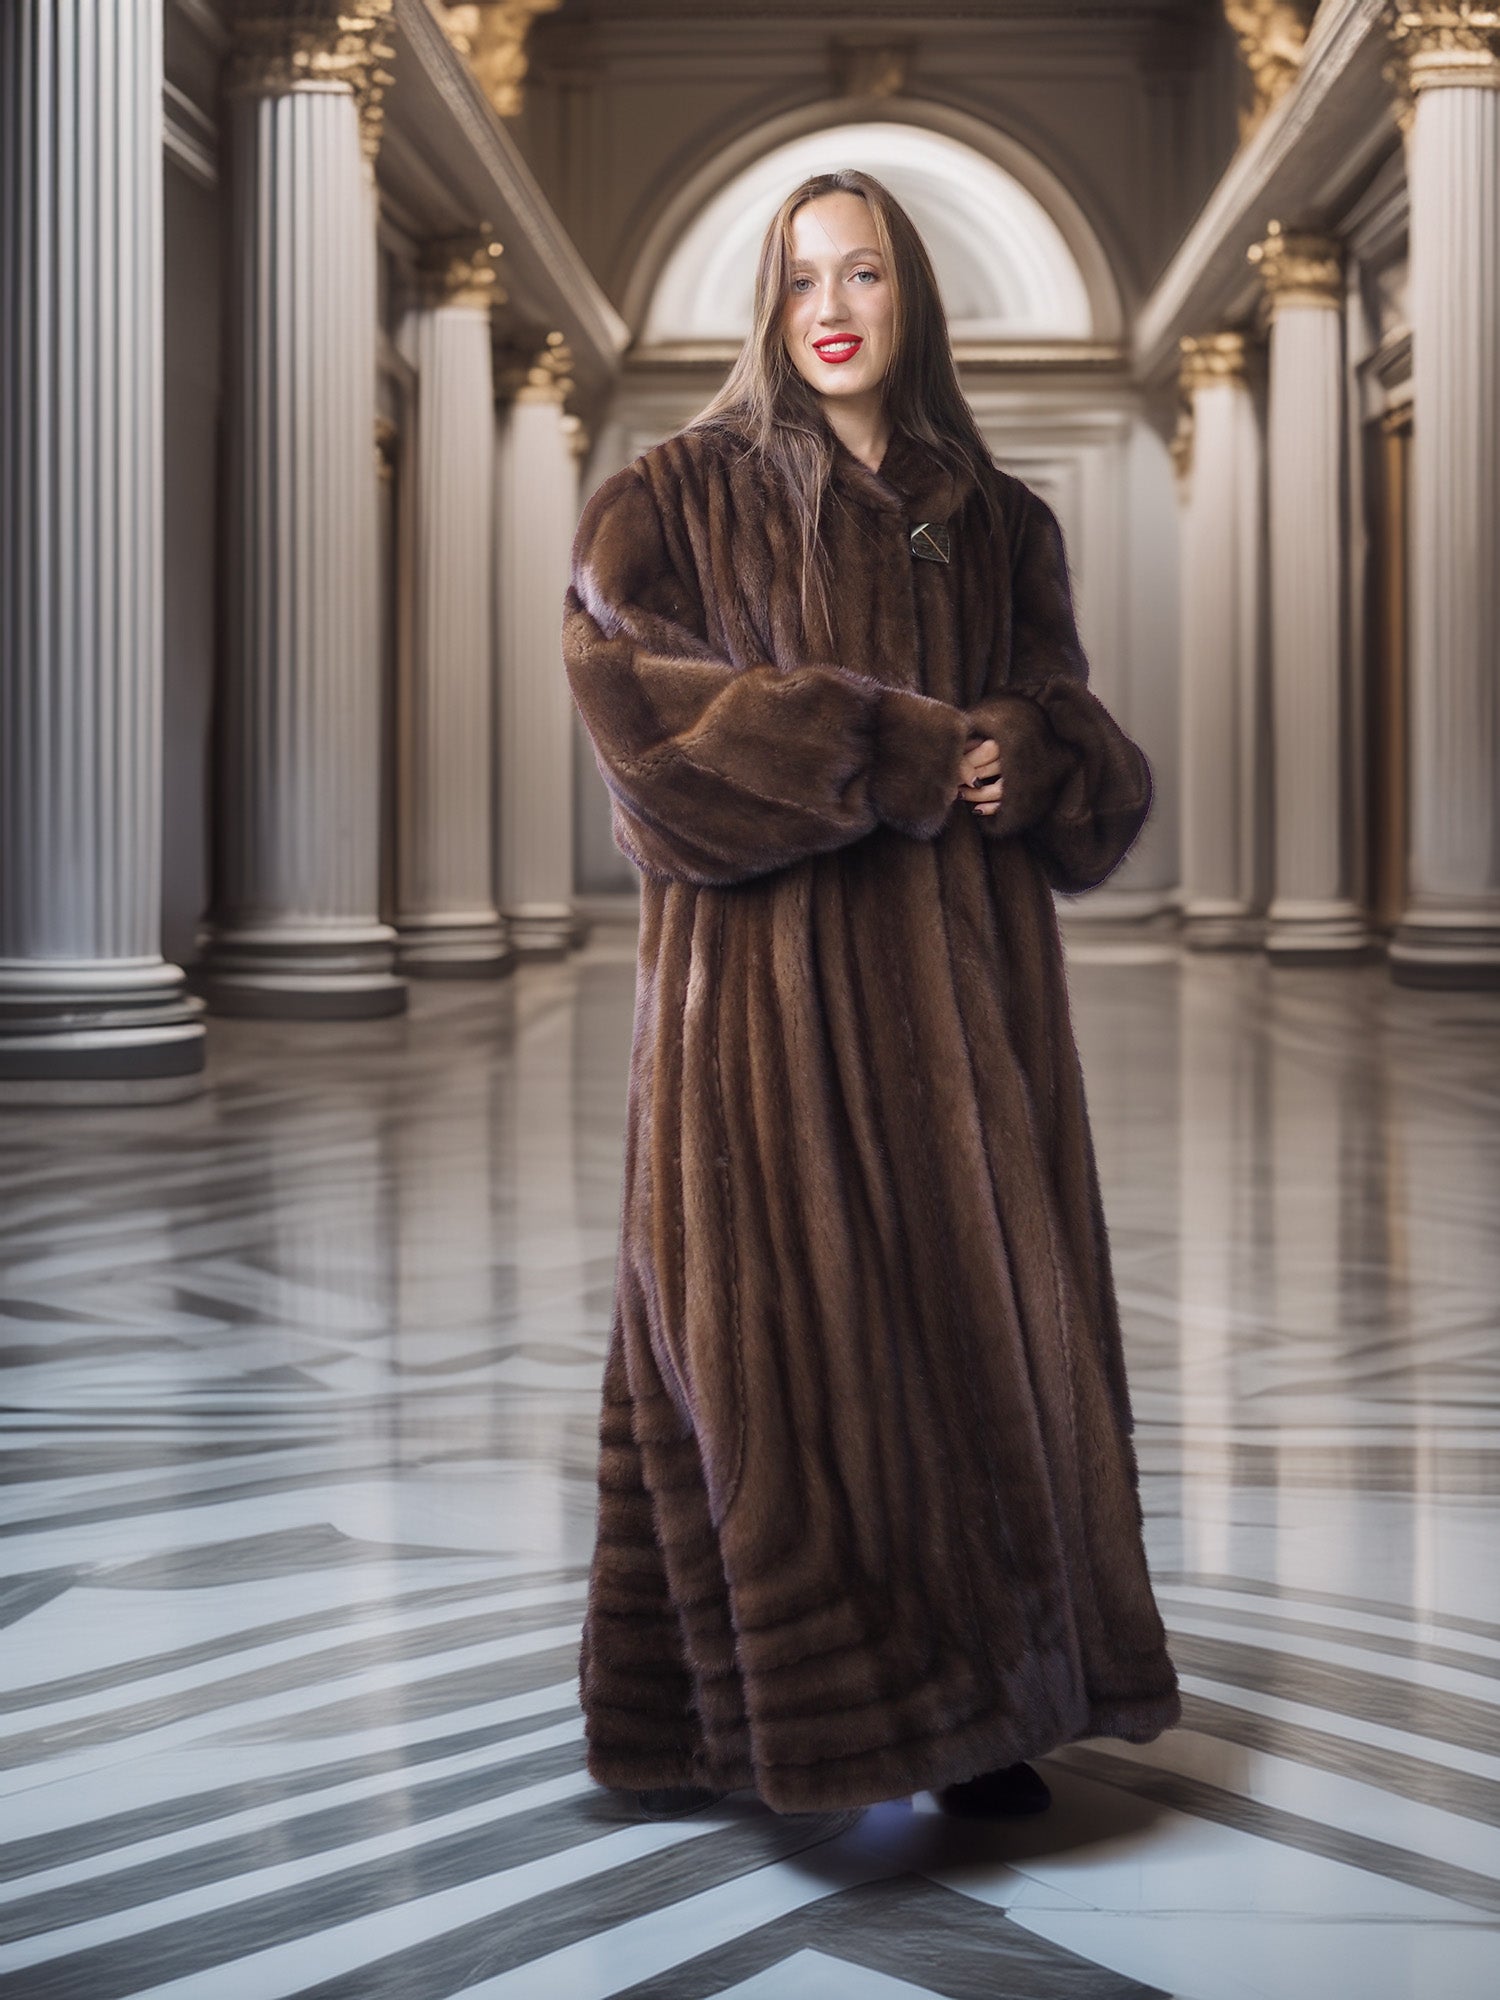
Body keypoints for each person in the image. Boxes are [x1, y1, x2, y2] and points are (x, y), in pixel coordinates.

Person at [562, 168, 1180, 1823]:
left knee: (978, 1349)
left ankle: (982, 1710)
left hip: (973, 1020)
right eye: (799, 279)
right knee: (768, 1360)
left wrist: (1030, 752)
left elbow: (1085, 753)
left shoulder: (990, 516)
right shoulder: (669, 498)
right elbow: (645, 733)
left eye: (866, 275)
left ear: (913, 301)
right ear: (765, 307)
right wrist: (895, 749)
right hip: (754, 1019)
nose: (831, 307)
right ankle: (798, 1723)